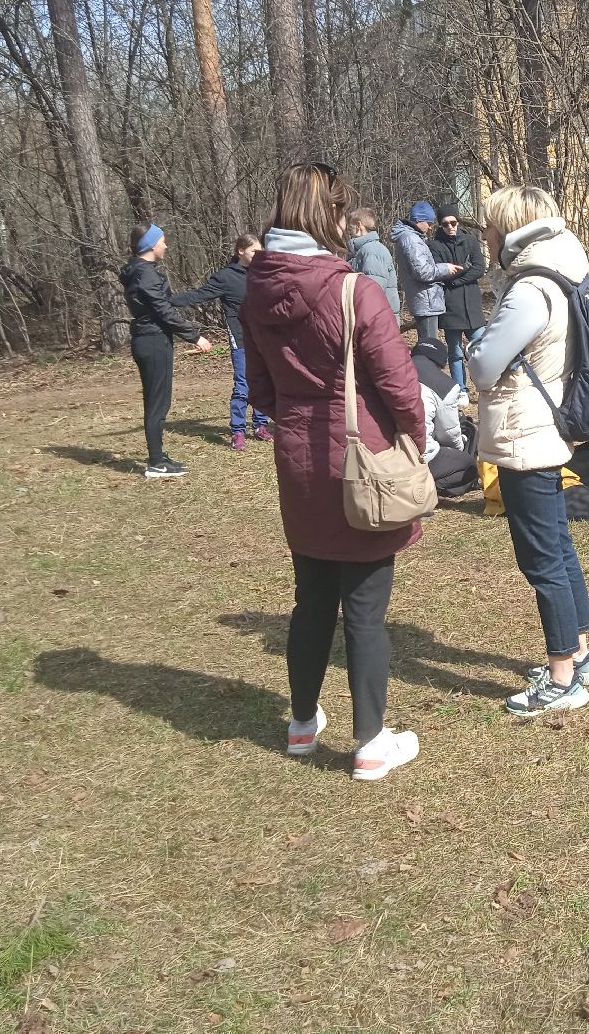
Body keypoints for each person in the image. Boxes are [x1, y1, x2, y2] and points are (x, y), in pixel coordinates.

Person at [241, 162, 424, 782]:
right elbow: (399, 381)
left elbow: (260, 390)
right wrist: (414, 442)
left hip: (299, 461)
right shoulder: (354, 290)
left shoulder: (256, 290)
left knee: (312, 599)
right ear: (332, 216)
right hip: (361, 458)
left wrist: (297, 419)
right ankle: (371, 742)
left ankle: (301, 725)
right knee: (366, 611)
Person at [466, 184, 589, 716]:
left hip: (526, 431)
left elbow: (482, 366)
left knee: (542, 559)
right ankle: (581, 655)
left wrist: (477, 345)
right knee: (560, 549)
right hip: (546, 424)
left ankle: (563, 677)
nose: (485, 238)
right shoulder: (564, 273)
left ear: (509, 227)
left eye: (489, 228)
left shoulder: (529, 289)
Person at [120, 224, 212, 478]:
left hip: (152, 339)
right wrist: (194, 336)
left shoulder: (142, 271)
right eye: (162, 241)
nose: (166, 245)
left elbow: (163, 305)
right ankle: (156, 463)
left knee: (157, 401)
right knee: (157, 404)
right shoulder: (144, 274)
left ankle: (158, 456)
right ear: (150, 245)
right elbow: (163, 310)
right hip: (152, 341)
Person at [170, 233, 273, 450]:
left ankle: (261, 425)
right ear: (240, 251)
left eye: (261, 250)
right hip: (241, 338)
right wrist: (166, 300)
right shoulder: (225, 277)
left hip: (264, 338)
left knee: (264, 382)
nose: (259, 254)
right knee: (243, 386)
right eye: (254, 251)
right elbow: (198, 295)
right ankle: (237, 431)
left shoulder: (263, 273)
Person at [428, 203, 487, 391]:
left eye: (453, 222)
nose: (450, 227)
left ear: (458, 222)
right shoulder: (435, 246)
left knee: (481, 347)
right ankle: (460, 389)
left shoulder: (470, 241)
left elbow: (479, 269)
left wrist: (456, 279)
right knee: (455, 352)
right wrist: (463, 270)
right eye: (445, 224)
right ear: (440, 225)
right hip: (450, 305)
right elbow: (441, 273)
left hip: (472, 303)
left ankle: (484, 384)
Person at [412, 337, 477, 496]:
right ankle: (422, 488)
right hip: (418, 454)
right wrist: (461, 448)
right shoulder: (445, 385)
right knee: (469, 466)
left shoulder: (392, 370)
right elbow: (448, 435)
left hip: (381, 453)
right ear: (440, 363)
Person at [390, 200, 459, 344]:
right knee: (429, 347)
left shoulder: (410, 237)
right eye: (428, 222)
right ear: (419, 220)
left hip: (425, 300)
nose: (431, 226)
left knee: (427, 346)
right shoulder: (411, 239)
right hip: (425, 301)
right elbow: (422, 271)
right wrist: (445, 268)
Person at [346, 208, 401, 312]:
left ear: (359, 226)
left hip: (378, 319)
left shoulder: (372, 251)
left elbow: (373, 292)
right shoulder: (363, 251)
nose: (349, 234)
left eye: (350, 229)